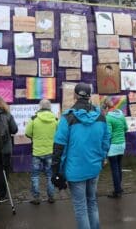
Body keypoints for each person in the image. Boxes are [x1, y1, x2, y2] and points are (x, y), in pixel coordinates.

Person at [51, 83, 110, 229]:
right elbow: (106, 140)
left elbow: (59, 147)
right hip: (94, 167)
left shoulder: (67, 118)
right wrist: (102, 157)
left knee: (80, 207)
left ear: (75, 95)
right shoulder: (101, 117)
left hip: (75, 170)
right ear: (89, 96)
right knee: (92, 202)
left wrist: (56, 170)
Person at [25, 99, 58, 205]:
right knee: (49, 175)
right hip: (50, 151)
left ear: (40, 107)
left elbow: (27, 133)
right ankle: (51, 196)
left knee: (35, 175)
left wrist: (35, 137)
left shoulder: (34, 119)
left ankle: (36, 198)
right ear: (50, 107)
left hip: (37, 152)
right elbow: (59, 135)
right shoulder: (56, 120)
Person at [0, 96, 18, 202]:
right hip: (5, 149)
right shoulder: (7, 115)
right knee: (4, 171)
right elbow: (14, 130)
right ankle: (2, 195)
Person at [102, 99, 128, 199]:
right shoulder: (121, 114)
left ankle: (117, 191)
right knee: (119, 167)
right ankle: (119, 188)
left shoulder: (108, 118)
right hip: (122, 145)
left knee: (114, 169)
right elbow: (126, 128)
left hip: (113, 146)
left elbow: (108, 134)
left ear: (107, 108)